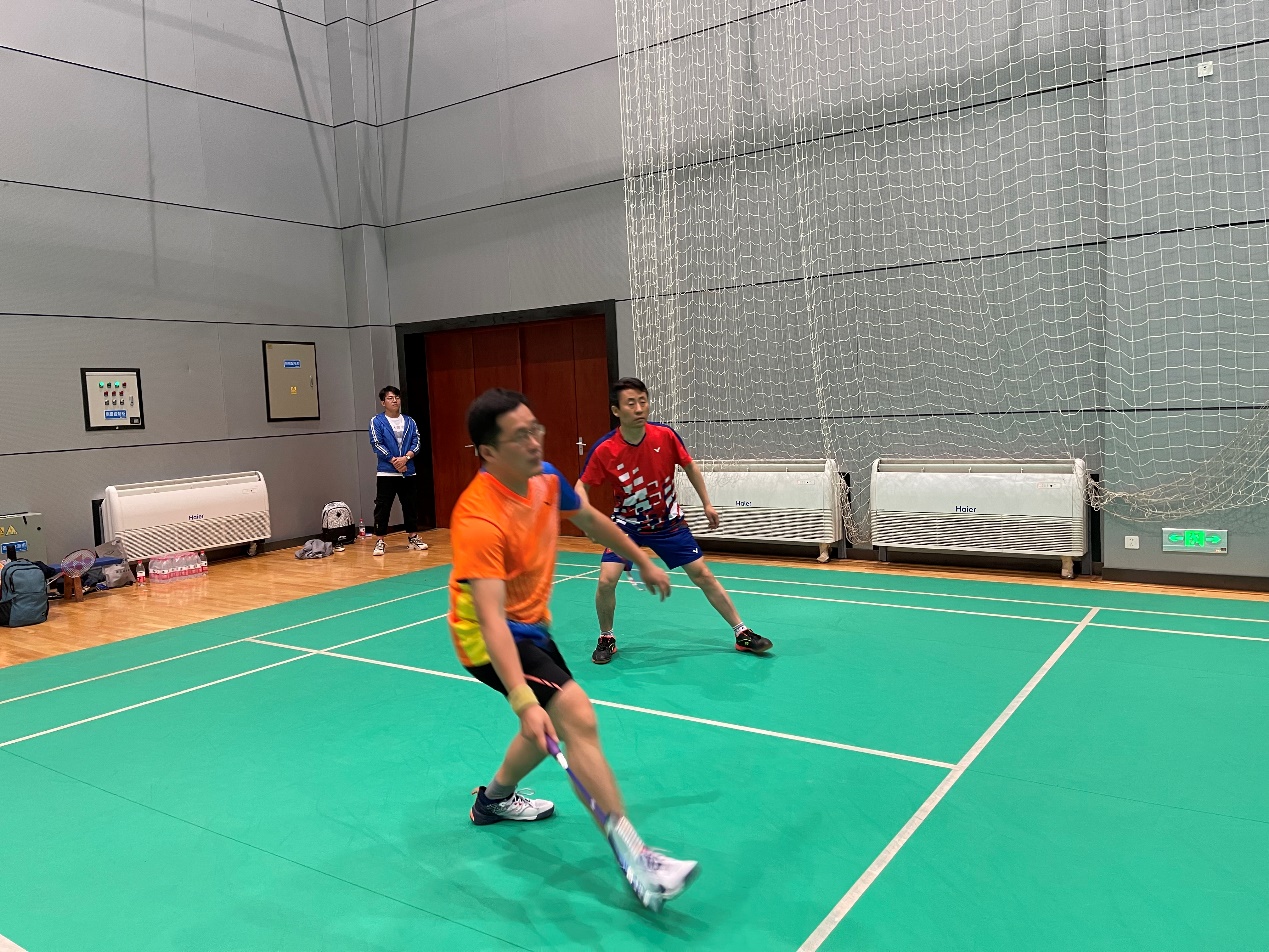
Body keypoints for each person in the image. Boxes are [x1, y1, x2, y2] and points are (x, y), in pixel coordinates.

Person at [450, 387, 698, 906]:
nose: (535, 442)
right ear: (488, 452)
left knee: (549, 723)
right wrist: (521, 698)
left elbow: (591, 520)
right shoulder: (478, 517)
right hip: (488, 638)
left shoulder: (545, 479)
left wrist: (642, 558)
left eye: (535, 429)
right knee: (575, 715)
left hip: (532, 626)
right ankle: (637, 859)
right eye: (520, 436)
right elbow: (491, 620)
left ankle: (492, 801)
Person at [576, 376, 773, 664]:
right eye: (631, 403)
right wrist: (585, 519)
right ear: (616, 410)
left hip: (668, 524)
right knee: (606, 580)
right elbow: (582, 486)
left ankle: (742, 632)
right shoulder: (605, 448)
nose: (639, 408)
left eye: (643, 401)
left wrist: (707, 503)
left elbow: (689, 466)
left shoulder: (665, 436)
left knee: (702, 574)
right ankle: (607, 636)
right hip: (627, 525)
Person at [368, 385, 429, 556]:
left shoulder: (409, 421)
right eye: (390, 398)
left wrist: (406, 458)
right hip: (387, 472)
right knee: (383, 506)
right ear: (383, 402)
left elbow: (416, 442)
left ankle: (413, 537)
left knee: (410, 505)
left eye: (397, 397)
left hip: (408, 470)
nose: (394, 401)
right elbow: (376, 443)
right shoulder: (377, 421)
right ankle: (380, 540)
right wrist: (393, 460)